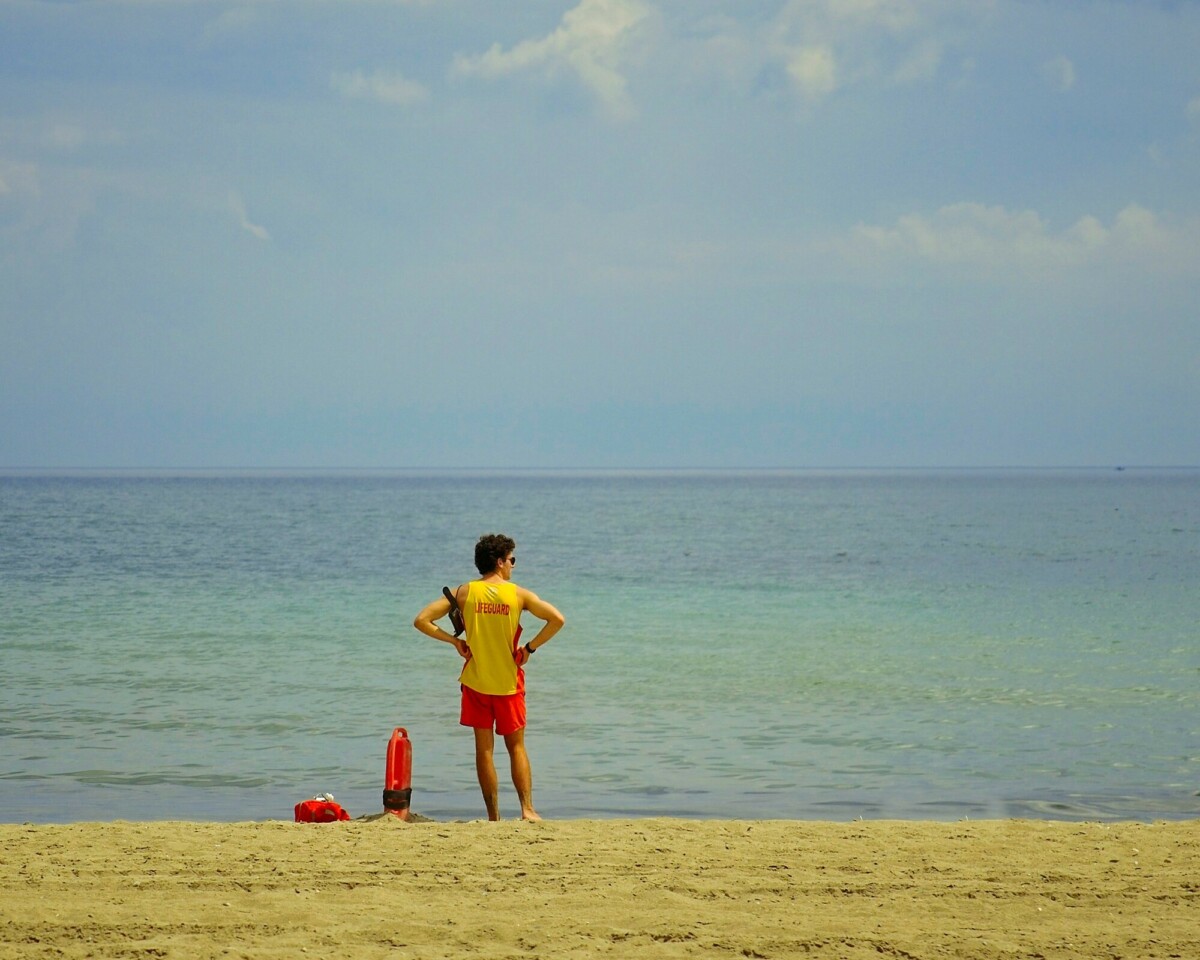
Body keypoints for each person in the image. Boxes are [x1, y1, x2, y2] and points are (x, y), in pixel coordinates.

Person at [413, 534, 565, 821]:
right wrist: (530, 648)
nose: (513, 566)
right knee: (516, 747)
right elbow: (557, 619)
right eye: (512, 560)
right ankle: (527, 810)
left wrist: (454, 642)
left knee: (484, 752)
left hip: (476, 683)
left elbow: (421, 620)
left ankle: (493, 817)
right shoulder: (519, 595)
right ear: (499, 562)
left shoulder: (464, 593)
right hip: (508, 683)